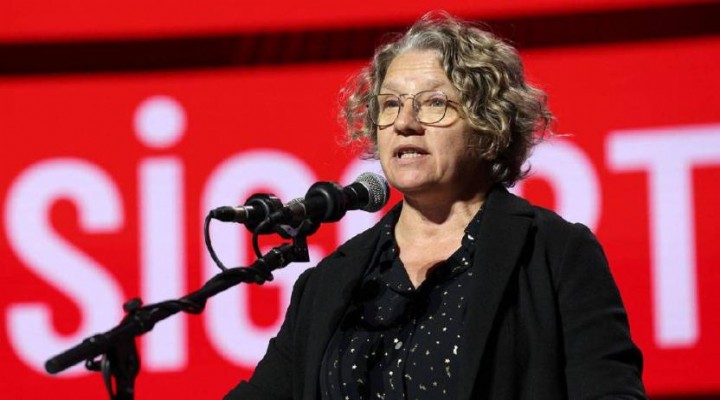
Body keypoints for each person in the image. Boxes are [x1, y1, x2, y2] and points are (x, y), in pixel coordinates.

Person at [224, 11, 646, 400]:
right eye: (391, 104)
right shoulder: (330, 282)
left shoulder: (554, 253)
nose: (405, 122)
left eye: (434, 103)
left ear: (489, 124)